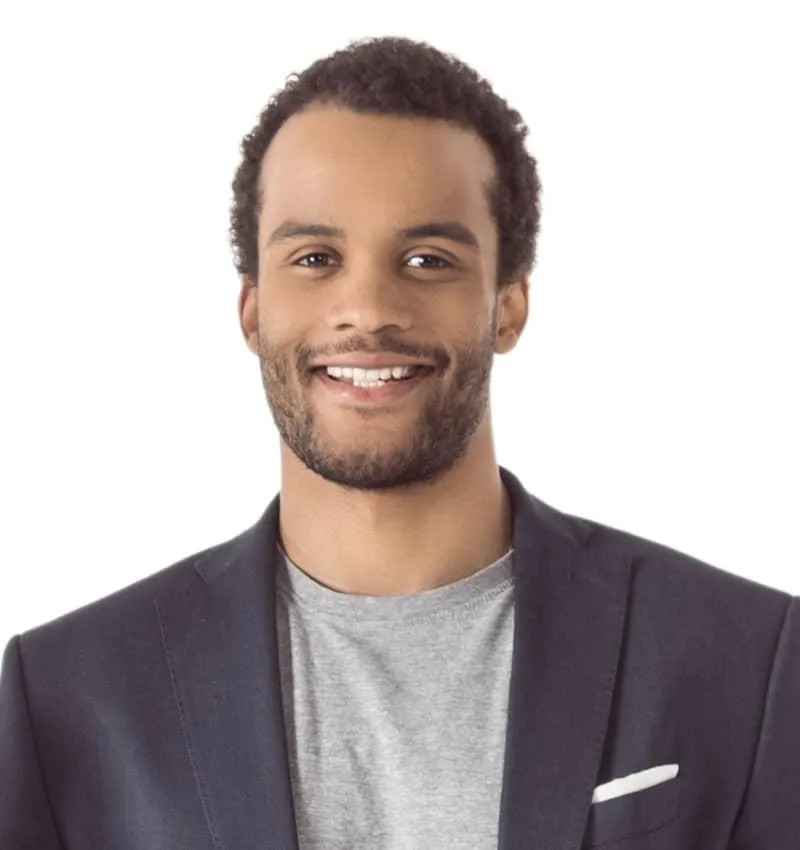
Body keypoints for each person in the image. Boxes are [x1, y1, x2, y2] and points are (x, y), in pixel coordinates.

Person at [1, 34, 797, 850]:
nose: (369, 309)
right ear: (252, 310)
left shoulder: (746, 660)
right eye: (316, 257)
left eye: (426, 259)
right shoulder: (67, 694)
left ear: (509, 305)